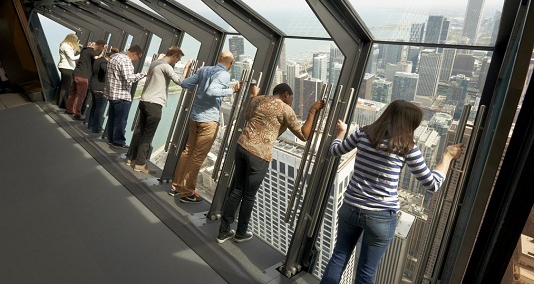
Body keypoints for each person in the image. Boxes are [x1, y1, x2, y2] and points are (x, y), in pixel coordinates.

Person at [320, 100, 463, 284]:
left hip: (351, 207)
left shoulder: (363, 133)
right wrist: (447, 156)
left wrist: (341, 132)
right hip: (381, 216)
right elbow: (432, 184)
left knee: (339, 257)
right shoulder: (407, 148)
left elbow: (335, 150)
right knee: (365, 272)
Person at [216, 83, 325, 244]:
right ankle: (240, 233)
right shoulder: (285, 109)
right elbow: (304, 135)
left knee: (237, 190)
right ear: (286, 94)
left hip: (242, 146)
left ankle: (223, 232)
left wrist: (254, 95)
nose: (291, 101)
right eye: (291, 98)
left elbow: (248, 116)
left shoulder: (259, 100)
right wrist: (312, 111)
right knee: (248, 196)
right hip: (259, 155)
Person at [168, 50, 240, 203]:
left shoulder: (204, 69)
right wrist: (232, 90)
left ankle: (176, 186)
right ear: (231, 63)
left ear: (219, 58)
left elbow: (185, 83)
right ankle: (187, 193)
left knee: (187, 152)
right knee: (197, 157)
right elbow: (212, 91)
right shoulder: (225, 74)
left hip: (195, 117)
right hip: (209, 121)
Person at [126, 46, 189, 175]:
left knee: (139, 131)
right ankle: (140, 164)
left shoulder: (155, 63)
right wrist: (186, 69)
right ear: (175, 55)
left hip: (144, 101)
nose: (177, 62)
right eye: (178, 59)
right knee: (147, 135)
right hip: (154, 104)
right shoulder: (166, 67)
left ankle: (130, 158)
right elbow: (181, 82)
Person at [104, 44, 147, 149]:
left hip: (112, 94)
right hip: (122, 95)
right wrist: (145, 73)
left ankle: (111, 139)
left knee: (112, 118)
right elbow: (129, 78)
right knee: (121, 120)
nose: (137, 60)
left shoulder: (114, 57)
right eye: (138, 57)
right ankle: (118, 142)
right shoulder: (125, 60)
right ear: (134, 53)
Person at [65, 40, 105, 119]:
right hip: (83, 75)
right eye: (103, 47)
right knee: (81, 95)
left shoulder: (85, 50)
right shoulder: (92, 52)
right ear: (101, 46)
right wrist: (102, 54)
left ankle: (69, 109)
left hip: (76, 73)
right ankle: (77, 113)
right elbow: (96, 58)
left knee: (73, 92)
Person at [87, 47, 118, 133]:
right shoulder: (104, 62)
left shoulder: (98, 60)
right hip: (100, 88)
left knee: (94, 107)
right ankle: (97, 127)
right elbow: (104, 69)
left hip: (93, 85)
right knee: (100, 109)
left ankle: (91, 124)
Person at [56, 34, 80, 109]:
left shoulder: (64, 45)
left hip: (64, 67)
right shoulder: (66, 46)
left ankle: (59, 102)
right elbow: (72, 58)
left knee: (63, 85)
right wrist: (80, 55)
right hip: (67, 68)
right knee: (67, 86)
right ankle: (63, 104)